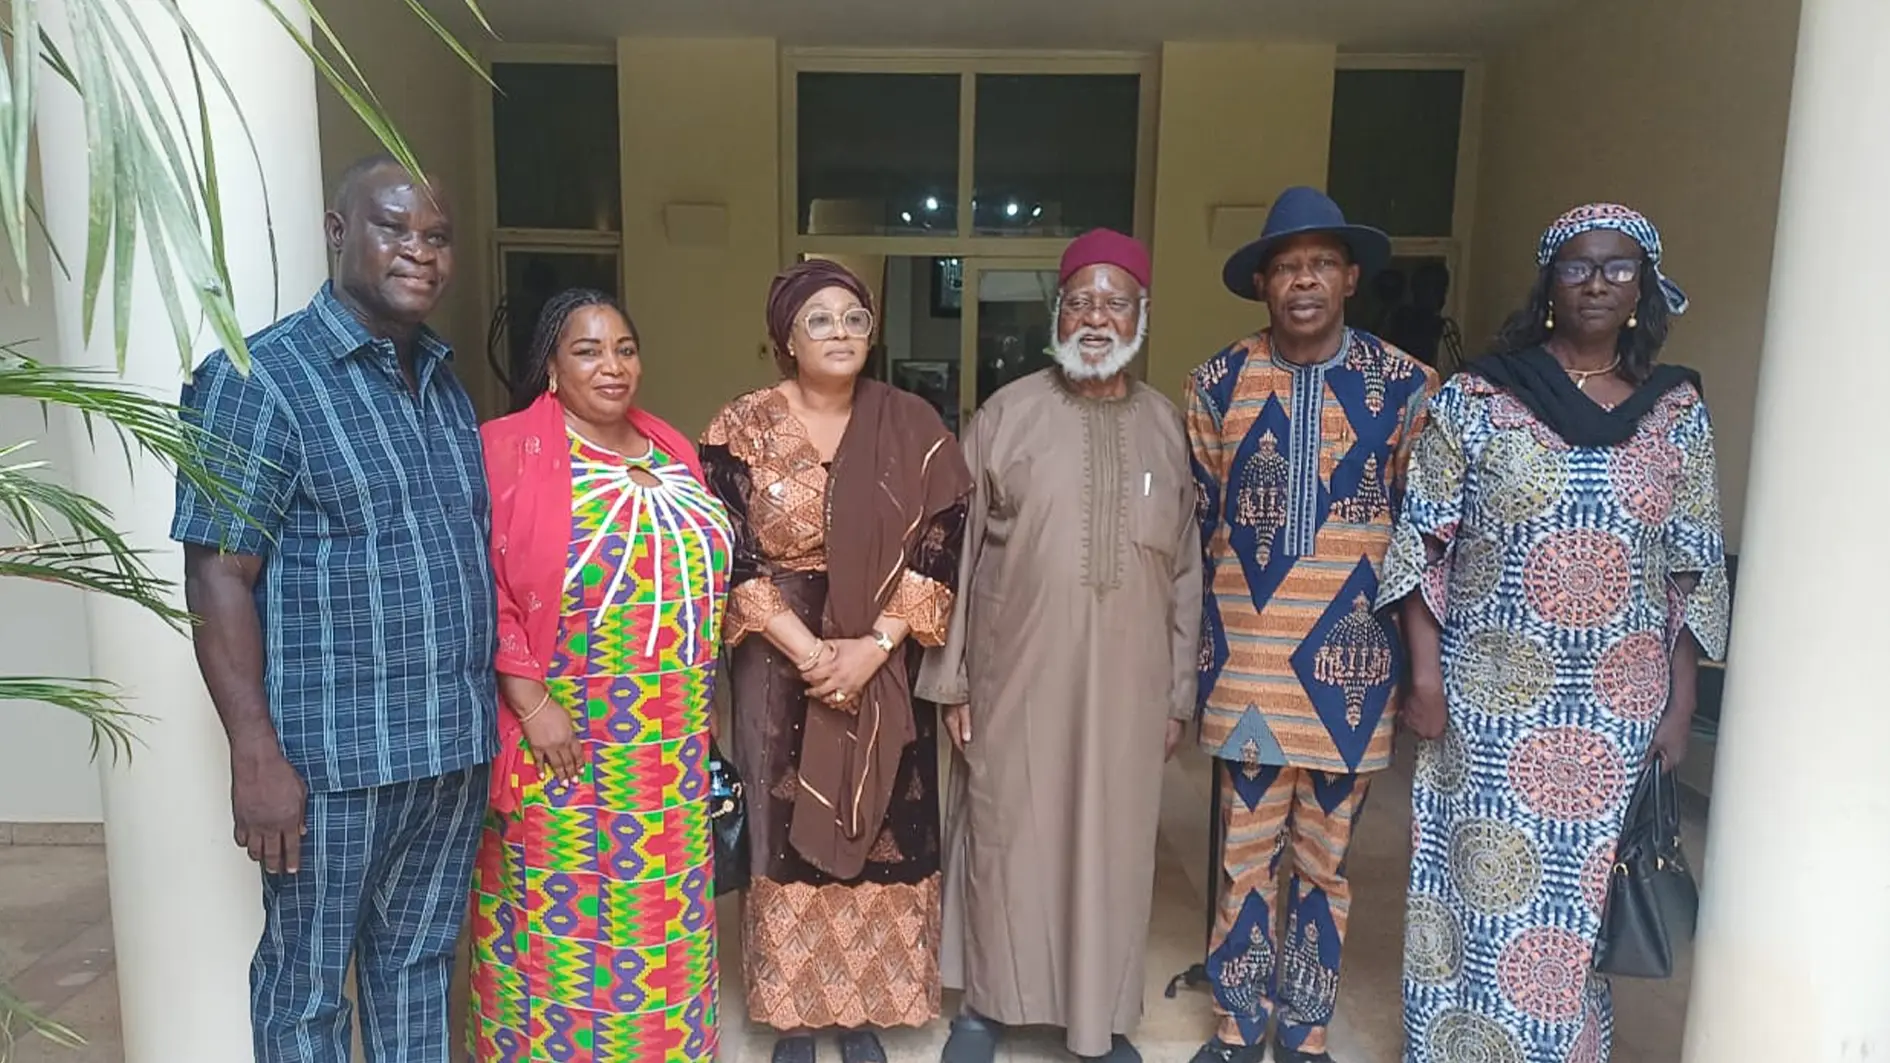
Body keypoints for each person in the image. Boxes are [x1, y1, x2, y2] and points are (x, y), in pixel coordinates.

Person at [1380, 203, 1728, 1062]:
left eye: (1618, 267)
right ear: (1549, 286)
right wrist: (1424, 677)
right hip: (1490, 698)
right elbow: (1422, 540)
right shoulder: (1479, 399)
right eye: (1578, 266)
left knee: (1581, 904)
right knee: (1479, 887)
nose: (1597, 283)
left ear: (1643, 288)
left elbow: (1691, 562)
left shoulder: (1675, 411)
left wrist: (1681, 700)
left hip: (1619, 705)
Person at [172, 154, 495, 1063]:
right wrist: (254, 756)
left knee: (418, 969)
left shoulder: (444, 382)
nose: (420, 252)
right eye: (394, 227)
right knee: (307, 989)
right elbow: (218, 576)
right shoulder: (258, 378)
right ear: (338, 230)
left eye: (437, 236)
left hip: (449, 751)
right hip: (330, 762)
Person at [918, 230, 1201, 1063]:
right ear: (1057, 315)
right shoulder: (1005, 415)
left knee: (1114, 850)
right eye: (1079, 301)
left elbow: (1187, 571)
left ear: (1142, 314)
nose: (1096, 318)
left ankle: (1098, 1018)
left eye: (1115, 302)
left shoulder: (1165, 428)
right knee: (1006, 836)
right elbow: (954, 554)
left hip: (1129, 689)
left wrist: (1176, 694)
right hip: (1016, 678)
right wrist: (955, 680)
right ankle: (986, 1005)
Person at [1186, 186, 1438, 1063]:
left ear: (1351, 277)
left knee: (1326, 864)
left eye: (1321, 264)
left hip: (1352, 673)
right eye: (1286, 266)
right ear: (1263, 283)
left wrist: (1422, 670)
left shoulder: (1408, 388)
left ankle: (1306, 1028)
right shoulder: (1216, 383)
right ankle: (1236, 1025)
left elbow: (1421, 541)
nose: (1303, 280)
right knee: (1244, 857)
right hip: (1246, 665)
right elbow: (1197, 525)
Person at [700, 259, 973, 1063]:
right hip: (778, 666)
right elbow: (729, 553)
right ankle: (793, 1013)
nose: (840, 332)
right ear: (785, 336)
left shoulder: (911, 423)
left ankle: (860, 1013)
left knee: (885, 822)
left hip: (883, 661)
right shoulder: (742, 425)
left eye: (855, 317)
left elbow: (942, 540)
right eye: (819, 319)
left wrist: (876, 645)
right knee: (783, 832)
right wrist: (814, 651)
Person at [467, 289, 732, 1062]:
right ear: (551, 368)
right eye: (587, 350)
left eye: (624, 348)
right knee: (561, 934)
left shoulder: (668, 446)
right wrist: (530, 699)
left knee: (665, 927)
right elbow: (480, 583)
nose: (611, 365)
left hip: (671, 749)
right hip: (566, 738)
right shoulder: (506, 449)